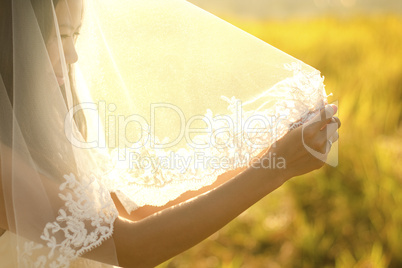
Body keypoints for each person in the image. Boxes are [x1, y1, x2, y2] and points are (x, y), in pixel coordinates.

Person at [0, 0, 340, 267]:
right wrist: (278, 167)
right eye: (60, 34)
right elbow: (131, 247)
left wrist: (270, 151)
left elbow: (134, 208)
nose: (72, 55)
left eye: (74, 36)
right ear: (13, 37)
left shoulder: (43, 136)